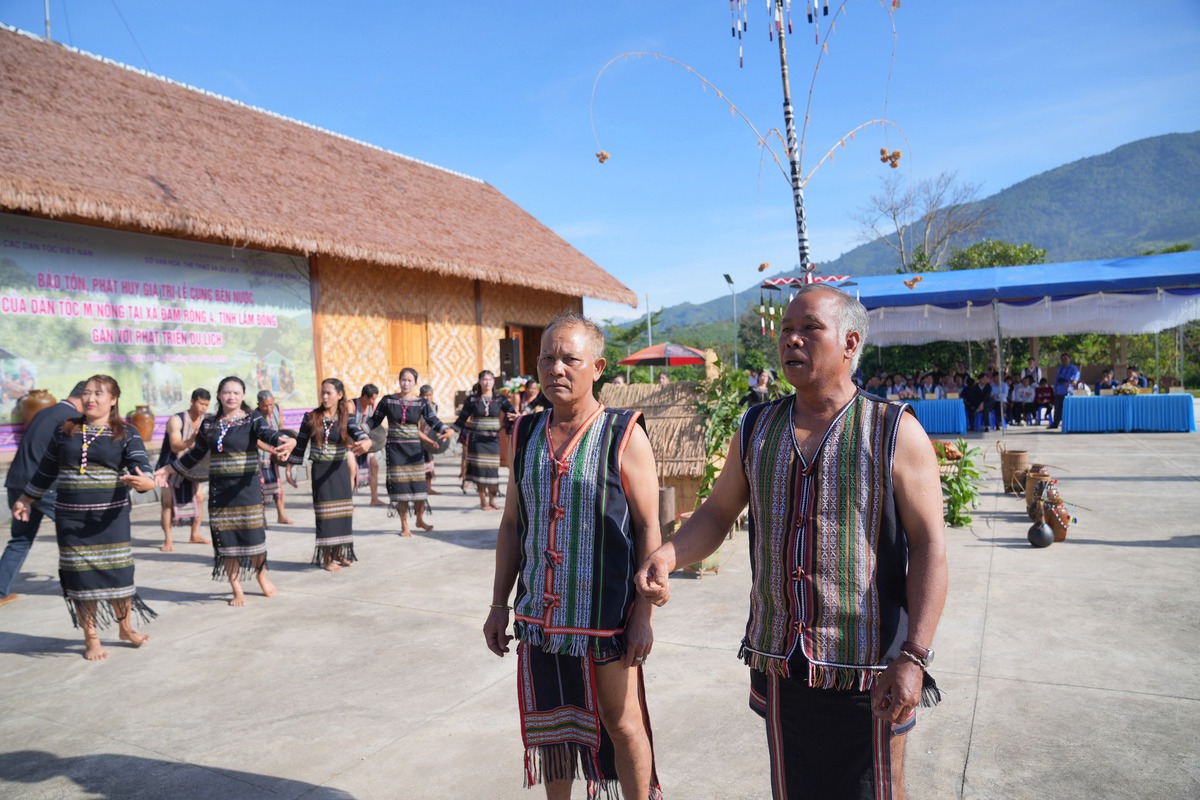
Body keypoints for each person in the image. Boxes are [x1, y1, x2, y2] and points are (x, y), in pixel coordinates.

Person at [635, 285, 947, 800]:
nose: (792, 342)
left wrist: (914, 658)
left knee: (878, 791)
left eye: (809, 329)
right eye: (785, 332)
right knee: (793, 788)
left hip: (870, 668)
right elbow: (716, 512)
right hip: (781, 658)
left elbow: (930, 548)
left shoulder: (894, 431)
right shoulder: (757, 427)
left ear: (850, 342)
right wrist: (669, 553)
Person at [484, 312, 664, 800]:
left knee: (621, 723)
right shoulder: (523, 433)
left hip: (606, 614)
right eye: (546, 358)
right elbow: (512, 524)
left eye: (569, 359)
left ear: (598, 367)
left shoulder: (624, 434)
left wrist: (643, 614)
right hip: (540, 615)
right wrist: (499, 604)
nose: (555, 369)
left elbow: (649, 526)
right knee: (552, 726)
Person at [12, 375, 157, 660]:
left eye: (99, 394)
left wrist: (148, 482)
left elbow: (140, 463)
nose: (91, 399)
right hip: (71, 519)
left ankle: (125, 628)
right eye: (87, 393)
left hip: (111, 519)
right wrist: (26, 498)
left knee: (120, 573)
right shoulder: (65, 430)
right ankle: (91, 637)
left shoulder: (126, 432)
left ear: (113, 399)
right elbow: (45, 470)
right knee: (80, 578)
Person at [157, 376, 294, 606]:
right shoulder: (209, 424)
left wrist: (284, 439)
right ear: (220, 395)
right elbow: (195, 454)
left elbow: (266, 433)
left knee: (255, 539)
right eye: (227, 392)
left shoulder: (253, 419)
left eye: (237, 393)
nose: (232, 396)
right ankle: (237, 589)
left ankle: (261, 577)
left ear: (242, 396)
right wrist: (170, 468)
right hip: (221, 493)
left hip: (247, 489)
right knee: (227, 542)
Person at [0, 382, 86, 607]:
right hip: (43, 486)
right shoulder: (72, 419)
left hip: (17, 482)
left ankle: (0, 591)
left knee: (20, 539)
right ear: (84, 398)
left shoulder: (44, 412)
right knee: (79, 533)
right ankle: (84, 586)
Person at [287, 379, 371, 571]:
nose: (325, 397)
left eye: (329, 393)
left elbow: (357, 433)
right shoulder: (311, 417)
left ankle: (340, 551)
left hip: (339, 471)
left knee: (342, 513)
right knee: (325, 515)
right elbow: (300, 445)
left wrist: (366, 441)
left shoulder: (345, 417)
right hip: (320, 472)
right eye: (323, 393)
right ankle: (326, 557)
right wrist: (290, 467)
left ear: (339, 395)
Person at [368, 368, 452, 536]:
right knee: (402, 489)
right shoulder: (388, 401)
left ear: (415, 383)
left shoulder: (421, 403)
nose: (405, 383)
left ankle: (419, 520)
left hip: (414, 451)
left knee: (419, 487)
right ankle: (404, 525)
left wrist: (446, 429)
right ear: (399, 381)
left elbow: (433, 420)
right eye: (403, 380)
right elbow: (373, 421)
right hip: (395, 451)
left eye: (409, 380)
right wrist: (358, 432)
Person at [157, 388, 211, 552]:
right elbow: (174, 446)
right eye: (201, 404)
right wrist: (193, 439)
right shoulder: (176, 420)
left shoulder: (205, 420)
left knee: (200, 498)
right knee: (167, 503)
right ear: (193, 401)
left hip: (192, 466)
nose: (203, 408)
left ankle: (194, 534)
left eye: (206, 405)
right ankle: (168, 540)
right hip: (169, 465)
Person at [455, 370, 516, 511]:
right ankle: (483, 501)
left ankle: (492, 500)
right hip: (477, 441)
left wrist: (520, 419)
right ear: (480, 382)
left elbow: (512, 412)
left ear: (494, 382)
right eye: (484, 379)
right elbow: (461, 419)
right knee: (480, 472)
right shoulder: (472, 400)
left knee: (492, 471)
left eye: (490, 379)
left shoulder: (500, 399)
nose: (487, 382)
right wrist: (451, 430)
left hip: (493, 440)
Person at [256, 390, 292, 524]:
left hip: (275, 454)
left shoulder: (278, 409)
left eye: (271, 404)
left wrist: (283, 447)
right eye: (265, 406)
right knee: (261, 487)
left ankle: (281, 515)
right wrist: (269, 449)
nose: (269, 408)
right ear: (259, 405)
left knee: (278, 486)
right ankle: (262, 518)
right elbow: (256, 440)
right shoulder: (255, 417)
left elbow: (281, 428)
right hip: (260, 455)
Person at [352, 385, 386, 507]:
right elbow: (346, 426)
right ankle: (348, 503)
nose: (374, 402)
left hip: (366, 443)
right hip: (350, 443)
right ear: (365, 397)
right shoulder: (351, 405)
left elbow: (374, 425)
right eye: (372, 399)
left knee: (374, 466)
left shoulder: (372, 407)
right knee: (351, 470)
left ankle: (374, 499)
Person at [1048, 352, 1080, 429]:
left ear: (1069, 359)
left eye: (1065, 358)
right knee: (1057, 408)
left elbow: (1076, 377)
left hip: (1068, 391)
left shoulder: (1073, 368)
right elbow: (1056, 379)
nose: (1064, 360)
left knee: (1067, 409)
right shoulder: (1060, 368)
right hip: (1059, 391)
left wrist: (1074, 381)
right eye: (1062, 359)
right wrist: (1054, 389)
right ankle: (1055, 423)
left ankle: (1067, 424)